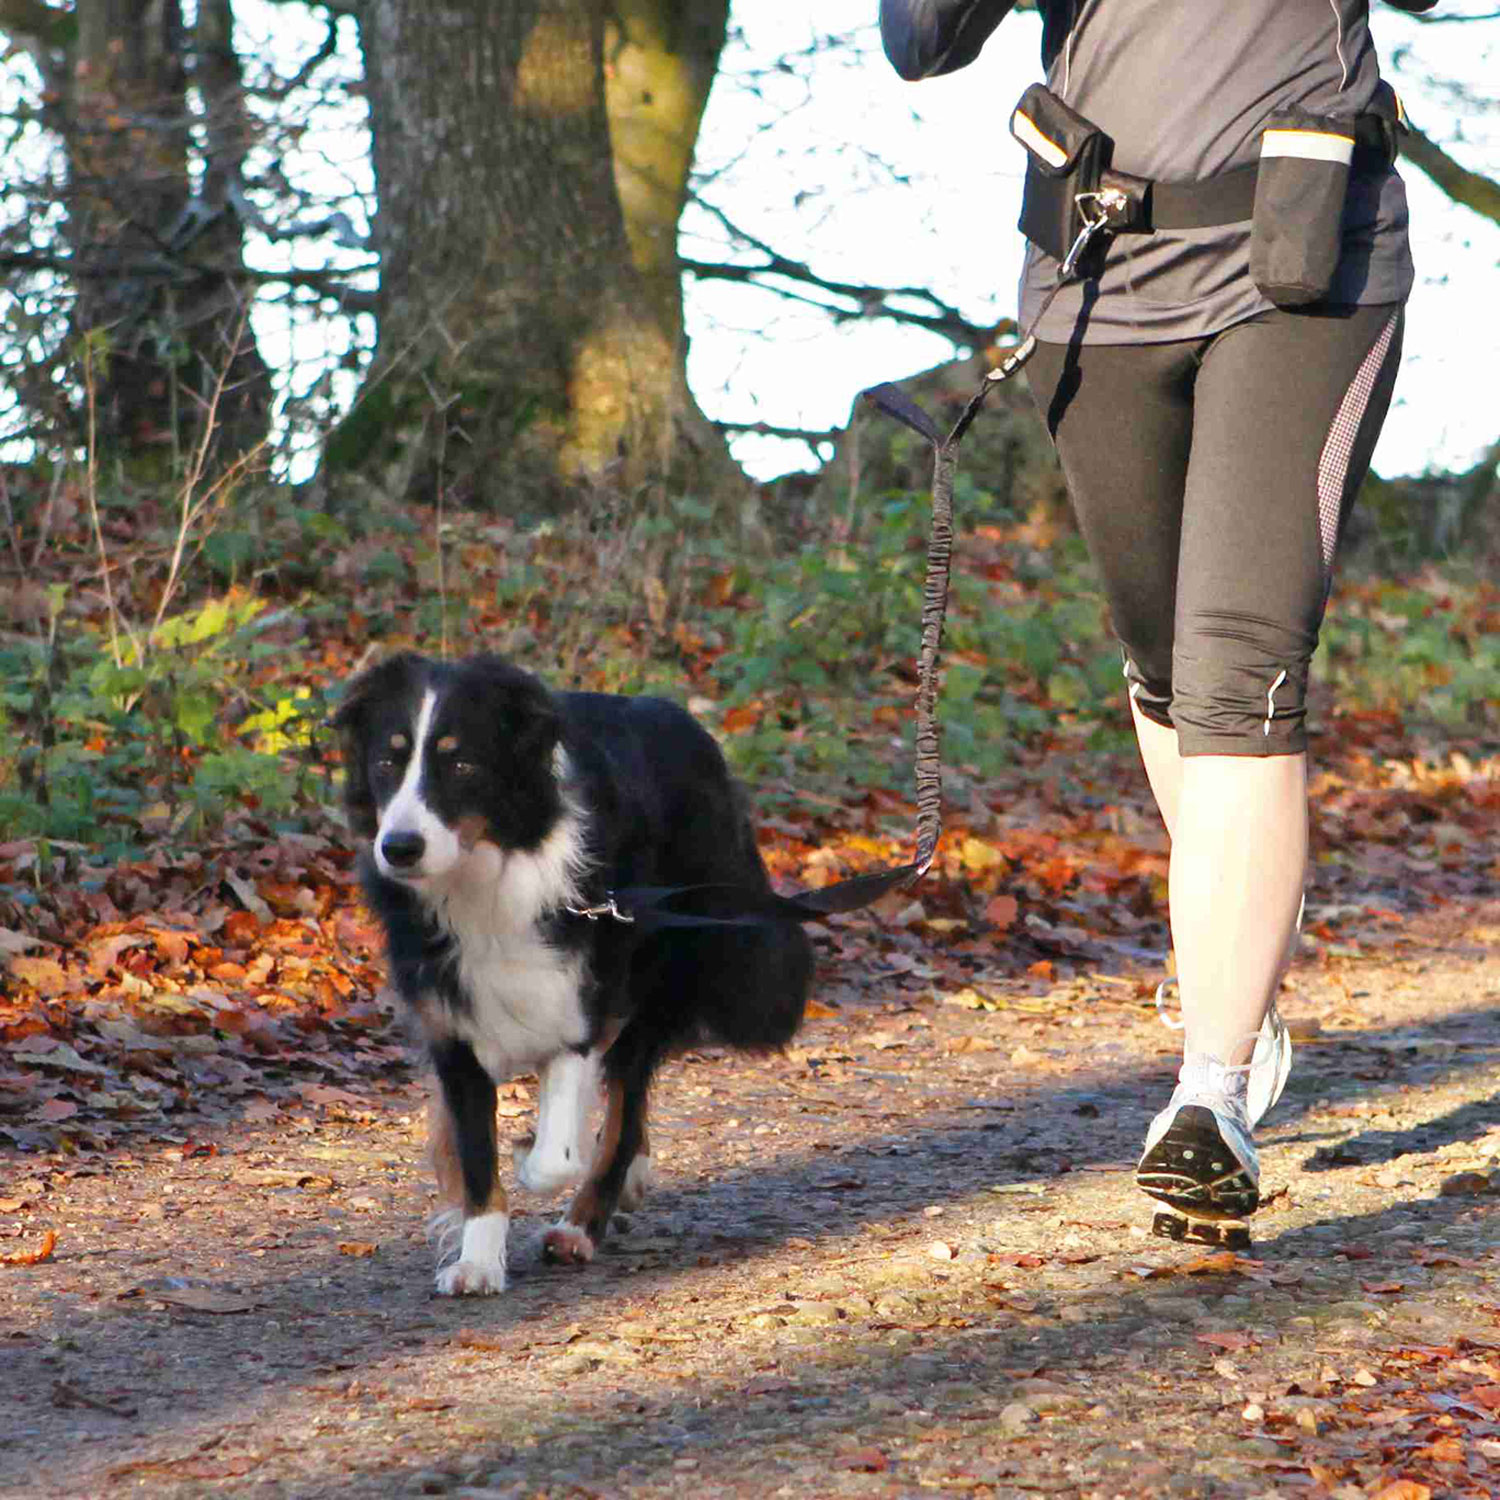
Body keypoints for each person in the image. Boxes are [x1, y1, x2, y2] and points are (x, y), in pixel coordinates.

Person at [878, 0, 1431, 1242]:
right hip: (1098, 276)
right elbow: (920, 39)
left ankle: (1211, 1093)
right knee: (1169, 664)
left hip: (1306, 262)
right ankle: (1236, 962)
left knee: (1243, 671)